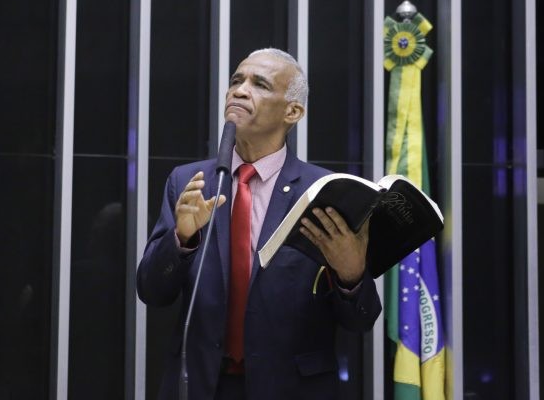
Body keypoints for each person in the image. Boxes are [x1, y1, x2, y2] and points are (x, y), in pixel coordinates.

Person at [137, 48, 382, 400]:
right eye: (236, 81)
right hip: (202, 385)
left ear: (292, 112)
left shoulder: (324, 193)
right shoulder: (191, 181)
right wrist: (182, 239)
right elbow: (152, 292)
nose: (239, 90)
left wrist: (351, 276)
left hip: (292, 388)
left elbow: (360, 321)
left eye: (259, 84)